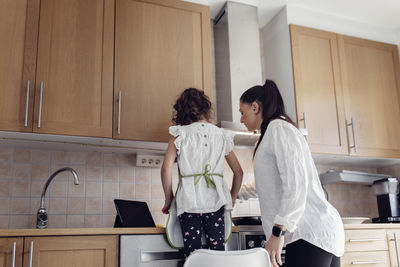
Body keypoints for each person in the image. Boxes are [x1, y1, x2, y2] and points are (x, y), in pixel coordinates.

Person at [237, 80, 344, 267]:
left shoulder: (279, 129)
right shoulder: (269, 135)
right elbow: (267, 183)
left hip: (310, 232)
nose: (241, 119)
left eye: (242, 112)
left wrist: (278, 232)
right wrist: (234, 193)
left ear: (255, 107)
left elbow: (296, 183)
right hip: (311, 233)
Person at [161, 88, 243, 260]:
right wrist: (232, 198)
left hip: (189, 202)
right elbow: (239, 172)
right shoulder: (221, 135)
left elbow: (166, 169)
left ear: (182, 111)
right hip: (217, 201)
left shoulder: (179, 134)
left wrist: (169, 199)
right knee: (217, 253)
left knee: (193, 256)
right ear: (206, 109)